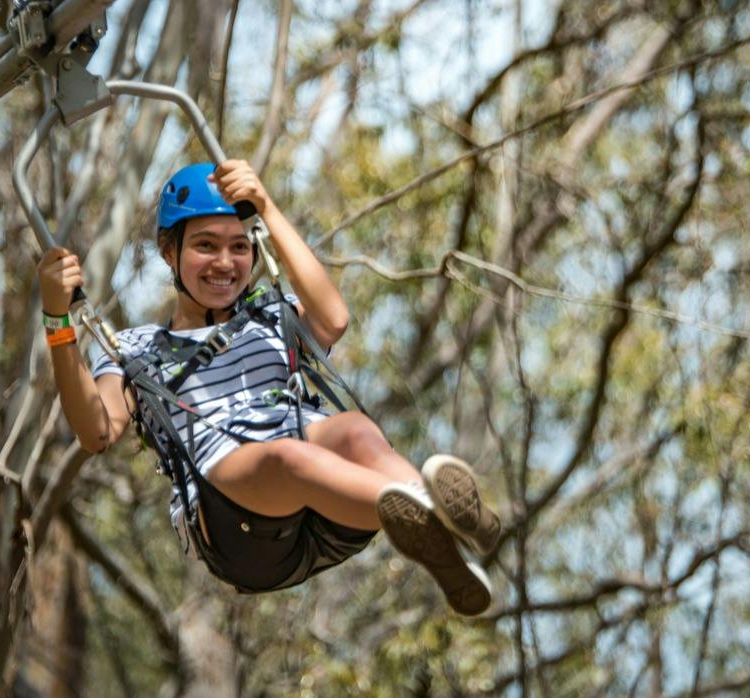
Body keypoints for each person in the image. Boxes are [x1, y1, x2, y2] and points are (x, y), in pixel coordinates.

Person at [37, 159, 501, 615]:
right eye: (205, 245)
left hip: (326, 502)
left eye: (240, 246)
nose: (224, 262)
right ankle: (431, 511)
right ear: (168, 252)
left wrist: (267, 209)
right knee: (288, 458)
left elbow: (334, 320)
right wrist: (58, 320)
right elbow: (97, 432)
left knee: (356, 429)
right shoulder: (137, 348)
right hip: (235, 525)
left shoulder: (269, 314)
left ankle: (433, 519)